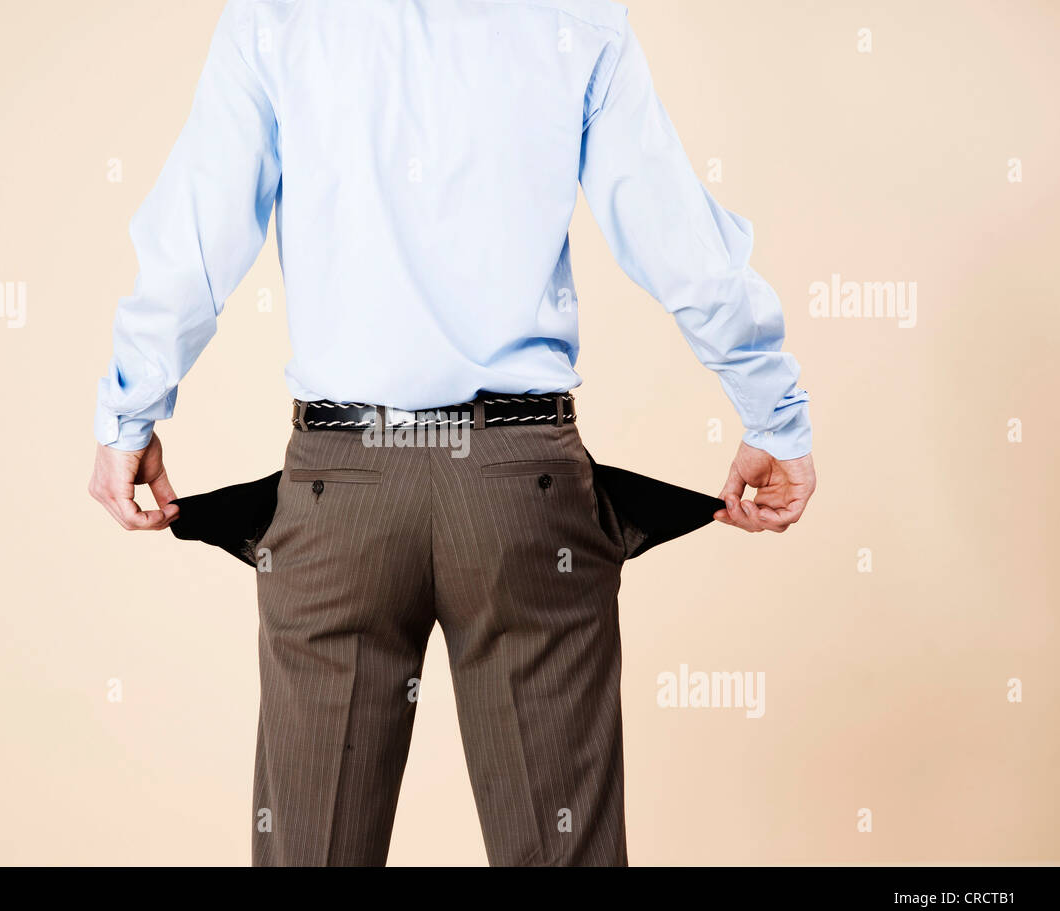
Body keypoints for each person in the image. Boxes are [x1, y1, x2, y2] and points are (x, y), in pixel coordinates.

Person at [88, 0, 816, 866]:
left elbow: (196, 241)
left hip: (339, 492)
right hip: (521, 492)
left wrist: (130, 413)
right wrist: (772, 410)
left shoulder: (278, 19)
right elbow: (680, 244)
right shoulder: (576, 19)